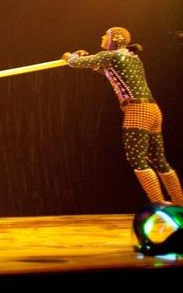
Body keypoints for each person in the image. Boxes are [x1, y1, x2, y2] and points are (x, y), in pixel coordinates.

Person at [63, 27, 183, 204]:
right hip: (153, 110)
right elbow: (109, 72)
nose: (102, 36)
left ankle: (159, 204)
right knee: (158, 160)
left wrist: (69, 55)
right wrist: (86, 59)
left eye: (106, 34)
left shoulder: (108, 56)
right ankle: (179, 203)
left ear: (115, 39)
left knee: (137, 159)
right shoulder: (132, 58)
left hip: (137, 111)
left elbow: (74, 63)